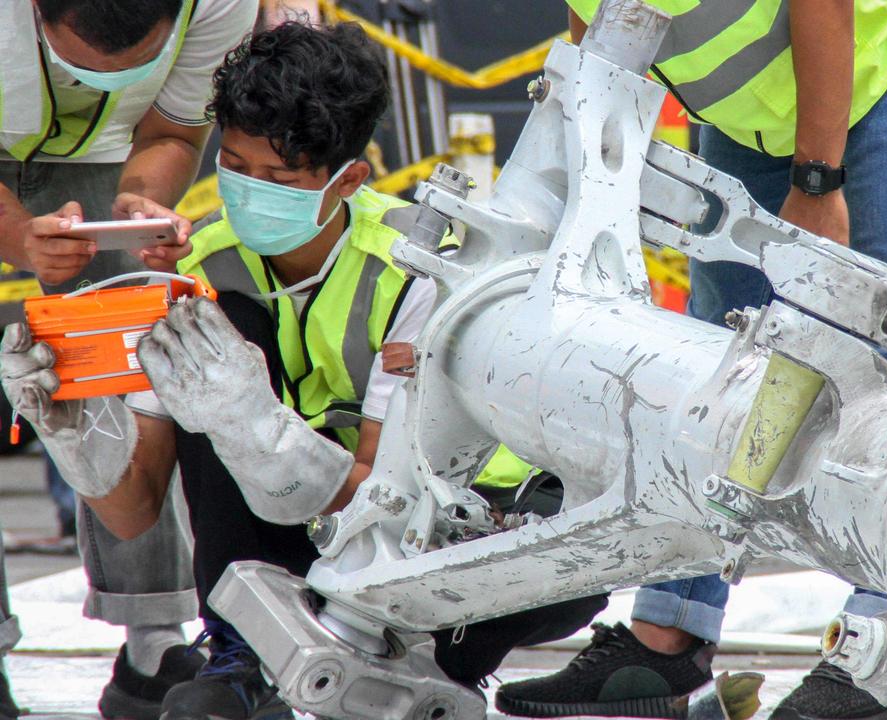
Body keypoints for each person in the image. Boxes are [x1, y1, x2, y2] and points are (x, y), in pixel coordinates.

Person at [2, 22, 604, 719]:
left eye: (279, 178)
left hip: (459, 535)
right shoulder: (199, 274)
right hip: (311, 534)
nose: (250, 190)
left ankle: (435, 663)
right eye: (233, 165)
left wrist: (256, 428)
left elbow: (393, 508)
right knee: (217, 327)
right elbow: (135, 514)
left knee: (559, 573)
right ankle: (244, 655)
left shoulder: (421, 272)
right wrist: (76, 434)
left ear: (348, 178)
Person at [495, 3, 887, 720]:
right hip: (751, 119)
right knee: (719, 369)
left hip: (884, 70)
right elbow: (600, 53)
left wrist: (818, 181)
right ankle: (668, 637)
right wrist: (596, 180)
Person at [0, 1, 256, 718]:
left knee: (137, 355)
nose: (102, 78)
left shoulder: (221, 4)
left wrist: (142, 200)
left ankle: (153, 639)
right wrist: (20, 237)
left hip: (107, 153)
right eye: (81, 60)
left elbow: (174, 127)